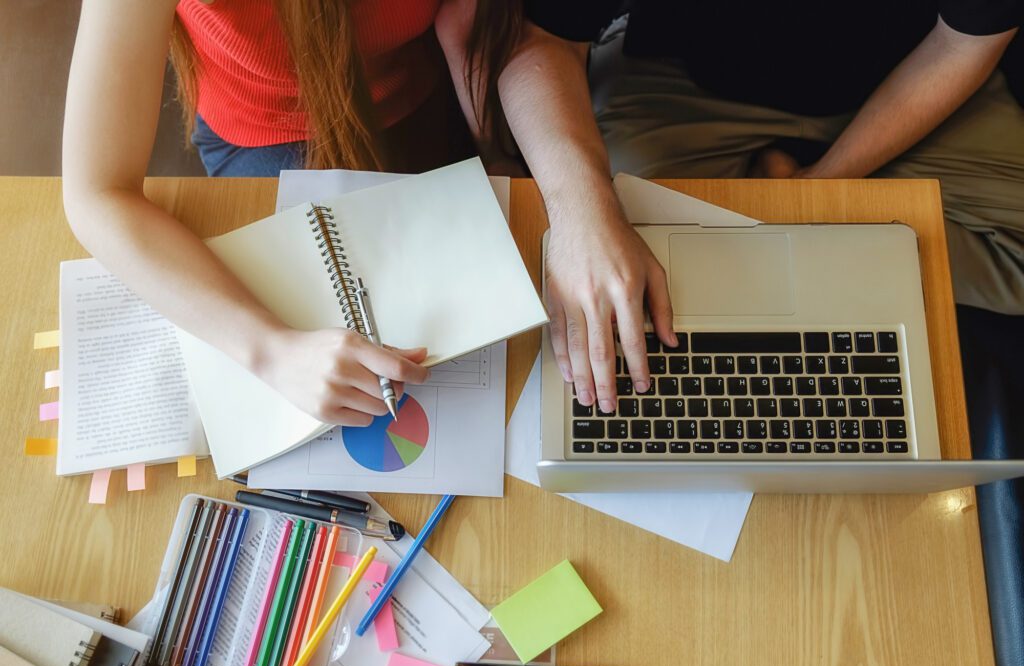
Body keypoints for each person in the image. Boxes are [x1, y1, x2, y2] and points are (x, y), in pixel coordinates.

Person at [487, 1, 1022, 417]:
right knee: (629, 254)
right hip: (691, 86)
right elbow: (543, 39)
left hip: (910, 77)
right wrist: (582, 214)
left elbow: (961, 44)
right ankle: (781, 190)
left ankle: (780, 180)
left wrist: (819, 187)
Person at [62, 0, 494, 427]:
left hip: (424, 81)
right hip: (265, 125)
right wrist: (273, 351)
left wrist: (497, 146)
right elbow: (97, 195)